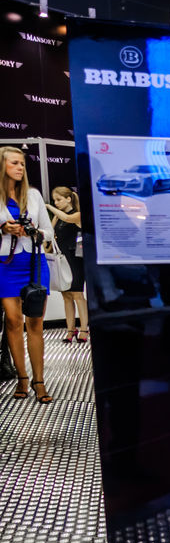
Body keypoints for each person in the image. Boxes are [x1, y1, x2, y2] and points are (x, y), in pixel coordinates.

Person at [0, 147, 54, 403]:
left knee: (35, 322)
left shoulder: (33, 195)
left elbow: (49, 232)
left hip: (34, 263)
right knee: (12, 320)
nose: (21, 168)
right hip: (5, 263)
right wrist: (4, 228)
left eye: (22, 163)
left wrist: (34, 234)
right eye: (15, 163)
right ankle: (21, 377)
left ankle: (39, 381)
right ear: (3, 166)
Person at [46, 187, 88, 345]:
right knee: (66, 296)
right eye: (54, 200)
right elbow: (50, 235)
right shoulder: (58, 218)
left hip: (76, 259)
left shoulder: (77, 215)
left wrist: (49, 208)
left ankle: (84, 328)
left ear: (69, 199)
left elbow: (68, 219)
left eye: (58, 199)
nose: (56, 203)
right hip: (62, 259)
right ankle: (70, 329)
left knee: (77, 294)